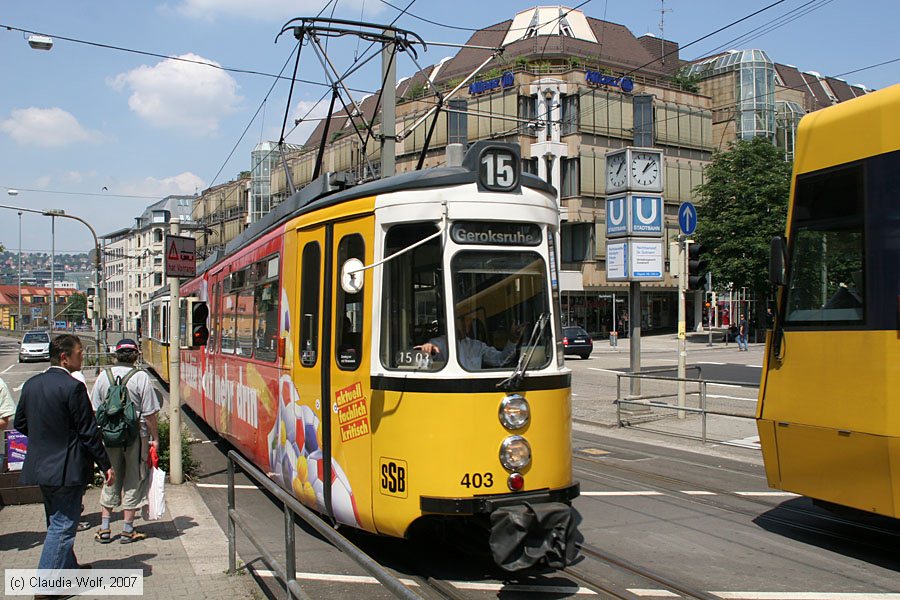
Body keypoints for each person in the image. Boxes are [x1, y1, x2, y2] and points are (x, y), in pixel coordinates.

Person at [13, 334, 114, 571]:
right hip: (68, 467)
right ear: (64, 358)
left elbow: (20, 423)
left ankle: (68, 569)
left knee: (55, 521)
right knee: (63, 527)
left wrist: (44, 437)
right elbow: (88, 432)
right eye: (79, 353)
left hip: (40, 467)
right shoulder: (73, 387)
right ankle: (47, 586)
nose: (83, 356)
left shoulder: (32, 385)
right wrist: (105, 464)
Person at [90, 338, 160, 544]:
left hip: (109, 436)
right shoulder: (141, 377)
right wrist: (155, 438)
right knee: (133, 478)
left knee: (110, 477)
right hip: (136, 436)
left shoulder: (104, 376)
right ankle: (128, 530)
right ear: (136, 355)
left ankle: (104, 528)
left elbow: (95, 409)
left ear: (115, 355)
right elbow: (149, 413)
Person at [416, 313, 524, 371]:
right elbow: (431, 351)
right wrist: (428, 349)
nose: (466, 323)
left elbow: (500, 360)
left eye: (468, 320)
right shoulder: (439, 342)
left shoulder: (477, 346)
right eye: (462, 320)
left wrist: (512, 341)